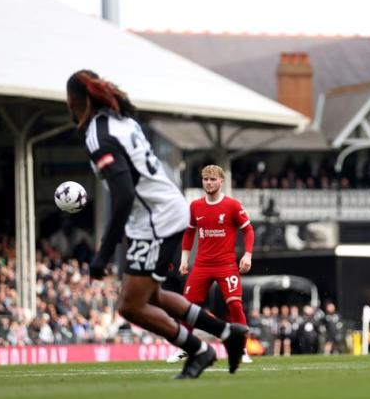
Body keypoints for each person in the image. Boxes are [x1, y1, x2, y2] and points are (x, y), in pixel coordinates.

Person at [66, 70, 247, 379]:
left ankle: (199, 350)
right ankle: (228, 333)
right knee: (153, 296)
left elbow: (123, 196)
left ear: (78, 101)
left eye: (68, 101)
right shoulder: (124, 122)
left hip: (156, 219)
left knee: (130, 306)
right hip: (158, 213)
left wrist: (103, 253)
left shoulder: (97, 134)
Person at [167, 165, 255, 363]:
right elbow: (189, 232)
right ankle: (186, 347)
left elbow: (248, 230)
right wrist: (184, 259)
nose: (209, 183)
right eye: (206, 179)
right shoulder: (195, 206)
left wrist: (247, 255)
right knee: (186, 307)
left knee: (235, 306)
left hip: (226, 265)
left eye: (213, 179)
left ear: (221, 182)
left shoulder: (232, 205)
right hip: (202, 265)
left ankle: (241, 349)